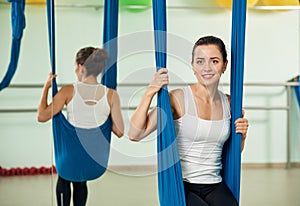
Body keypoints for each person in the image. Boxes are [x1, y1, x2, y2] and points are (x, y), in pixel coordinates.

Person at [128, 36, 249, 206]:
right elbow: (135, 134)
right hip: (182, 186)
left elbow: (233, 152)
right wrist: (150, 91)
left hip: (214, 184)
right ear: (192, 66)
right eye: (200, 61)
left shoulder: (230, 103)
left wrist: (242, 137)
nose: (206, 67)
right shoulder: (178, 99)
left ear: (224, 65)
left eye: (214, 61)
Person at [37, 47, 124, 206]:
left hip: (69, 160)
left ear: (81, 67)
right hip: (94, 162)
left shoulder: (68, 91)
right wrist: (103, 117)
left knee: (65, 174)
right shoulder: (111, 95)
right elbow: (119, 131)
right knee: (80, 178)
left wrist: (46, 87)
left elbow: (41, 116)